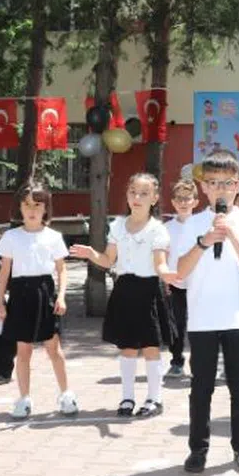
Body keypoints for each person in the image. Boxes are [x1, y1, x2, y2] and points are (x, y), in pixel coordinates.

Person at [173, 150, 239, 474]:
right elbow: (180, 272)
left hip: (238, 316)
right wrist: (203, 241)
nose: (220, 189)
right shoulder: (192, 224)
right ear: (203, 187)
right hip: (202, 318)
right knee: (201, 387)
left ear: (237, 185)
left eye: (227, 183)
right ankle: (198, 449)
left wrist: (231, 233)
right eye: (213, 183)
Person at [72, 173, 174, 418]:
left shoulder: (158, 230)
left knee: (150, 347)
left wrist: (168, 274)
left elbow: (160, 263)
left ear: (154, 198)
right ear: (127, 195)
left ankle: (154, 398)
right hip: (124, 289)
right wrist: (91, 254)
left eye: (144, 193)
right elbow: (108, 260)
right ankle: (127, 398)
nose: (137, 197)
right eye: (133, 192)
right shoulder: (117, 226)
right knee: (127, 347)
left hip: (149, 290)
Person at [0, 181, 76, 419]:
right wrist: (0, 302)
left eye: (37, 205)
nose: (32, 210)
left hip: (44, 293)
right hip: (20, 294)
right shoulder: (11, 237)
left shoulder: (53, 237)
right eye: (27, 205)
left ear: (46, 208)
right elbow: (4, 272)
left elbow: (61, 269)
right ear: (19, 207)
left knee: (54, 349)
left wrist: (61, 296)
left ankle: (66, 394)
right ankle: (24, 398)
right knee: (24, 351)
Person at [163, 179, 198, 378]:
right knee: (176, 323)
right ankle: (176, 361)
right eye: (179, 199)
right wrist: (165, 280)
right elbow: (163, 255)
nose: (183, 203)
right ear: (173, 202)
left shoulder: (202, 225)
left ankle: (198, 361)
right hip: (175, 283)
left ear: (195, 201)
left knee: (198, 324)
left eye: (187, 198)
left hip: (198, 283)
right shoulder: (167, 228)